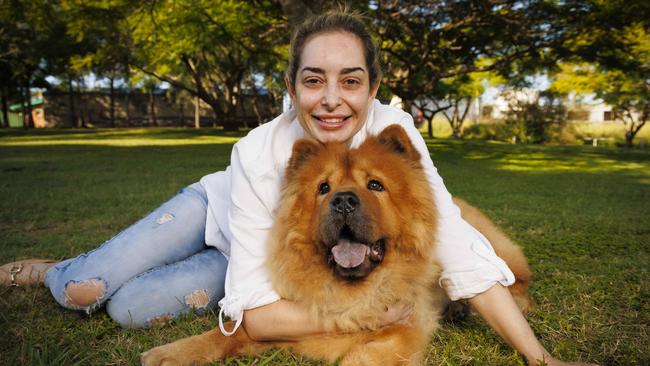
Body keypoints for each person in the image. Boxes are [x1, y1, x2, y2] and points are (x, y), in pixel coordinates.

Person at [1, 11, 594, 366]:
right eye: (314, 80)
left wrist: (537, 356)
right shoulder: (258, 151)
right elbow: (260, 322)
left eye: (350, 80)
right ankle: (56, 269)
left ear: (372, 86)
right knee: (84, 290)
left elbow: (454, 239)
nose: (332, 98)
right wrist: (362, 318)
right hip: (216, 211)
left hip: (249, 262)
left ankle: (120, 272)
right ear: (291, 86)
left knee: (130, 309)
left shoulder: (394, 133)